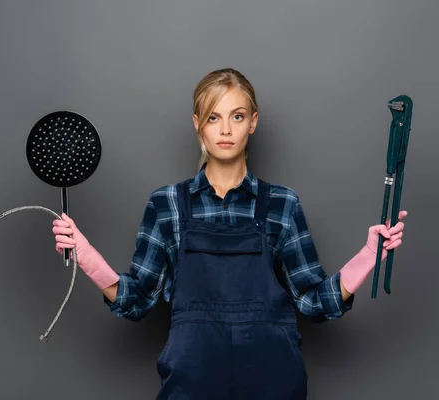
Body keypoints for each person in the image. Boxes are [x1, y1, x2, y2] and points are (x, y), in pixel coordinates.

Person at [51, 68, 407, 399]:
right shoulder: (167, 204)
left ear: (252, 123)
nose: (225, 130)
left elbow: (313, 301)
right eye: (213, 117)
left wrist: (368, 256)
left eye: (237, 116)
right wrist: (87, 257)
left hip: (274, 382)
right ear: (197, 124)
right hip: (191, 383)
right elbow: (138, 299)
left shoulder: (282, 204)